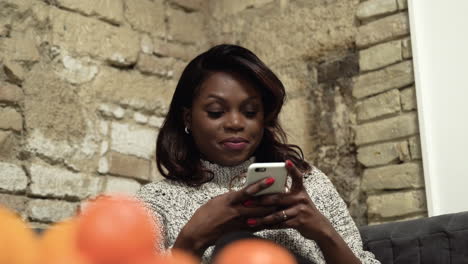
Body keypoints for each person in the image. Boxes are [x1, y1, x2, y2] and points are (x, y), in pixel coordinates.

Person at [136, 44, 379, 264]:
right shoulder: (156, 202)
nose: (235, 123)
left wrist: (323, 232)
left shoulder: (308, 183)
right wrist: (191, 241)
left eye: (250, 112)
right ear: (188, 118)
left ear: (264, 120)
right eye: (216, 112)